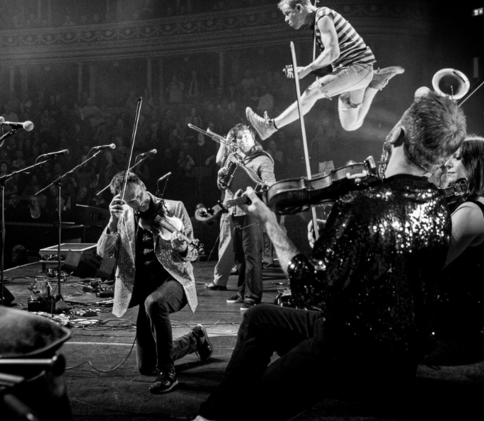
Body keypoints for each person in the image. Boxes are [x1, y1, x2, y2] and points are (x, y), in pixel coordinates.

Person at [195, 91, 466, 421]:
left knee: (252, 409)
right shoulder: (439, 208)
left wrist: (268, 221)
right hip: (403, 354)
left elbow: (308, 286)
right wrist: (338, 240)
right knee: (259, 318)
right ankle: (211, 414)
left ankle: (225, 415)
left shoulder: (363, 202)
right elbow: (390, 262)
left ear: (397, 134)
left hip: (347, 348)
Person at [97, 171, 212, 394]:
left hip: (174, 281)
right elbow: (103, 251)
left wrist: (181, 247)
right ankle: (195, 339)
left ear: (143, 185)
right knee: (146, 366)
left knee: (154, 303)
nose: (138, 203)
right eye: (131, 201)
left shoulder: (174, 208)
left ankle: (169, 373)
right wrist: (112, 221)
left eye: (139, 195)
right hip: (145, 290)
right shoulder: (123, 216)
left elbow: (194, 253)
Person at [246, 0, 404, 141]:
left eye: (288, 13)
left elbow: (332, 53)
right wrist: (306, 70)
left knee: (310, 93)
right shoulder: (317, 23)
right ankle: (373, 85)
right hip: (353, 73)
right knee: (350, 124)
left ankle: (270, 126)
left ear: (299, 8)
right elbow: (334, 59)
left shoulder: (322, 16)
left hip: (357, 68)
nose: (286, 19)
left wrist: (307, 69)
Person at [425, 135, 484, 365]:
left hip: (452, 317)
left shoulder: (471, 210)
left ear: (478, 166)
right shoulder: (482, 205)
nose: (448, 163)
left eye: (457, 158)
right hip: (466, 311)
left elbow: (430, 264)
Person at [205, 124, 276, 311]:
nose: (242, 141)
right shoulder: (232, 157)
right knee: (239, 256)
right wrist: (221, 178)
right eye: (239, 138)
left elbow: (269, 185)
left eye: (246, 137)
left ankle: (253, 297)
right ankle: (243, 292)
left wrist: (250, 190)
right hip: (234, 213)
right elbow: (224, 185)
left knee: (252, 255)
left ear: (253, 138)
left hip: (251, 213)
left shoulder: (263, 160)